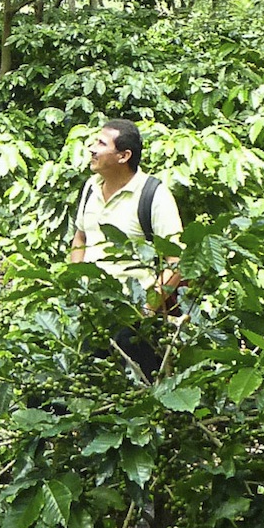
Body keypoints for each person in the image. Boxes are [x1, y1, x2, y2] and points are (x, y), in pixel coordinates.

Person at [69, 119, 183, 375]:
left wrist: (146, 309)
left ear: (124, 155)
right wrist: (75, 284)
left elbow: (175, 260)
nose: (92, 149)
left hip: (134, 320)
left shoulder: (154, 194)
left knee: (139, 394)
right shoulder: (90, 187)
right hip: (92, 313)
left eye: (100, 143)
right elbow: (80, 238)